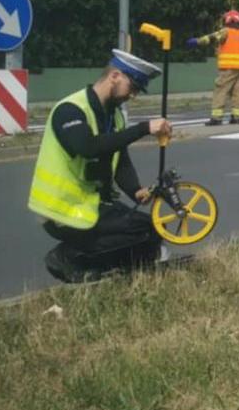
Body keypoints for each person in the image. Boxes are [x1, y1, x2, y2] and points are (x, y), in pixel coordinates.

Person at [29, 49, 173, 283]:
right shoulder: (70, 110)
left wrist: (136, 191)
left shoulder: (113, 115)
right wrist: (143, 129)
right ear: (115, 76)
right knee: (139, 231)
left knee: (151, 229)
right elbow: (88, 147)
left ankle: (108, 270)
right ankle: (69, 257)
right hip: (62, 210)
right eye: (133, 87)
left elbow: (120, 160)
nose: (133, 95)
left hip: (90, 204)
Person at [188, 9, 239, 125]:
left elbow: (212, 38)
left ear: (228, 20)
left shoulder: (226, 31)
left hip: (228, 68)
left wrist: (197, 41)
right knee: (238, 92)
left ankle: (216, 118)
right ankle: (236, 117)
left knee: (221, 90)